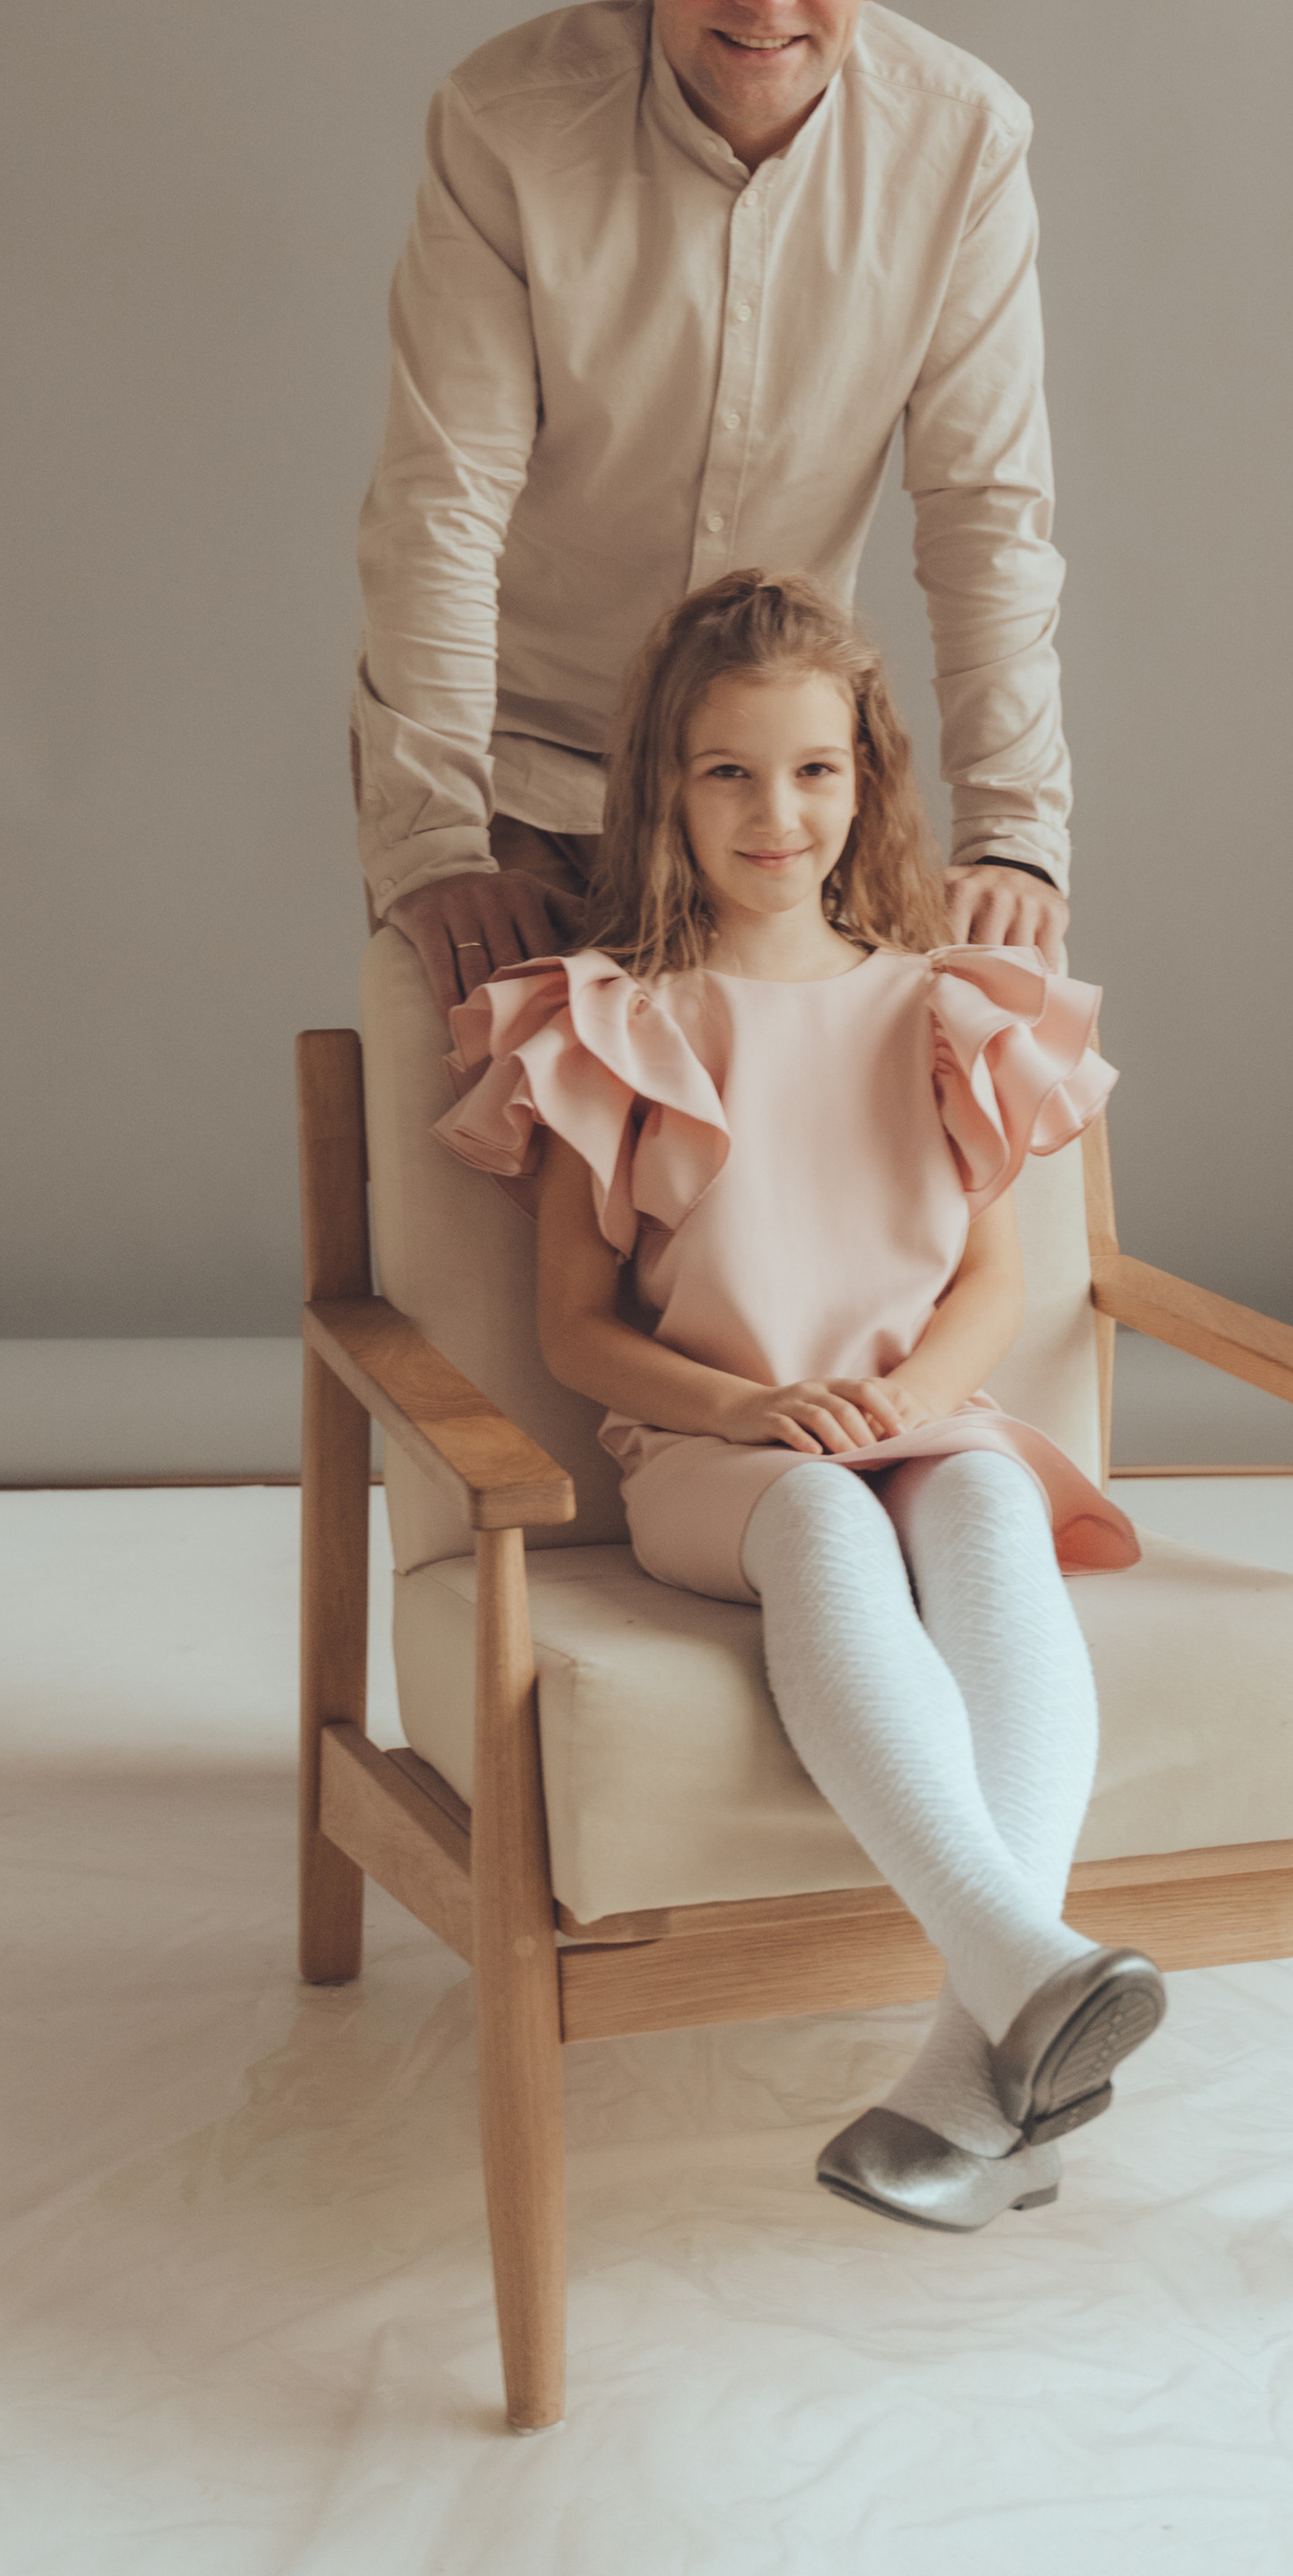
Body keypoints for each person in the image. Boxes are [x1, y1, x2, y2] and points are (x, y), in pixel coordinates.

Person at [437, 569, 1166, 2235]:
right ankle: (1020, 1979)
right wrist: (752, 1410)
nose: (780, 813)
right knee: (830, 1522)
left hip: (918, 1417)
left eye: (816, 771)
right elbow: (573, 1330)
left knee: (984, 1497)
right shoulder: (610, 1019)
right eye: (731, 773)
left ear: (868, 778)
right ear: (664, 790)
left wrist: (911, 1395)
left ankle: (992, 2048)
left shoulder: (941, 1007)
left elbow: (991, 1284)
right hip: (718, 1452)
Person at [353, 0, 1075, 1022]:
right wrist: (437, 849)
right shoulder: (505, 124)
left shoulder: (964, 141)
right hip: (530, 777)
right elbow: (440, 506)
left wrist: (1016, 839)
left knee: (854, 1170)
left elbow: (985, 511)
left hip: (790, 796)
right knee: (531, 1179)